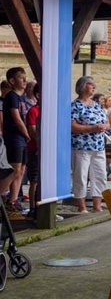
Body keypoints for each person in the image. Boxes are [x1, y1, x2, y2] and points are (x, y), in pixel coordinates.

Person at [71, 76, 109, 213]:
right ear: (82, 86)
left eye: (94, 84)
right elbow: (73, 126)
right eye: (90, 84)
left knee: (100, 175)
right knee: (80, 175)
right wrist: (91, 128)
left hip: (98, 146)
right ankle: (82, 207)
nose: (94, 87)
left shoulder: (97, 105)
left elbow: (107, 122)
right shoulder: (75, 105)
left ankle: (97, 206)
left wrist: (104, 126)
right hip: (82, 146)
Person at [1, 68, 30, 218]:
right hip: (15, 137)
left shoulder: (22, 98)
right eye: (21, 78)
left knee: (21, 170)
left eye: (25, 78)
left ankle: (13, 201)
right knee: (15, 170)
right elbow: (17, 118)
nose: (24, 80)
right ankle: (2, 195)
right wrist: (27, 133)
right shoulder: (11, 97)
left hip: (22, 139)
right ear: (12, 81)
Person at [25, 83, 40, 219]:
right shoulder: (33, 111)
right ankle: (33, 208)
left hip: (45, 151)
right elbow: (32, 131)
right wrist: (42, 145)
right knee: (34, 180)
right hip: (35, 149)